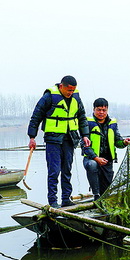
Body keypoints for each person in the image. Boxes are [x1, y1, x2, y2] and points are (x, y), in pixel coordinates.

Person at [27, 75, 91, 208]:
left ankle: (66, 198)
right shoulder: (49, 97)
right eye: (68, 90)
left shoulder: (76, 98)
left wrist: (85, 135)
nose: (70, 93)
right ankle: (53, 201)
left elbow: (82, 117)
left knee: (67, 170)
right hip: (53, 139)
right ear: (61, 86)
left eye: (73, 90)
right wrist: (32, 137)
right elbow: (36, 116)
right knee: (54, 171)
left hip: (70, 139)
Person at [82, 98, 130, 200]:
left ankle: (102, 194)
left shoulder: (112, 123)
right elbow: (85, 146)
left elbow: (118, 141)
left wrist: (124, 142)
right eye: (99, 110)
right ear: (94, 109)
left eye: (104, 110)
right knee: (92, 165)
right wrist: (96, 158)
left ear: (107, 110)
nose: (101, 112)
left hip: (107, 162)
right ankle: (96, 195)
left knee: (106, 192)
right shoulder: (86, 123)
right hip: (92, 159)